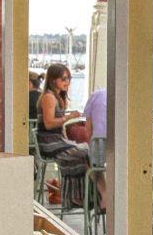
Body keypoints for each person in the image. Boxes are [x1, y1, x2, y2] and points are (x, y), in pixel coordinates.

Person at [36, 62, 89, 205]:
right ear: (54, 80)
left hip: (57, 139)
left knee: (86, 152)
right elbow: (49, 123)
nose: (67, 82)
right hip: (49, 143)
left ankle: (78, 194)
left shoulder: (58, 97)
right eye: (64, 79)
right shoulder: (49, 97)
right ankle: (74, 196)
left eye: (69, 79)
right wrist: (69, 117)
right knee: (81, 154)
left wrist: (65, 134)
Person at [83, 85, 107, 210]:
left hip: (99, 142)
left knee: (92, 165)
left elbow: (88, 130)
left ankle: (104, 193)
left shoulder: (95, 95)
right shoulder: (128, 96)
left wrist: (90, 144)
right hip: (122, 146)